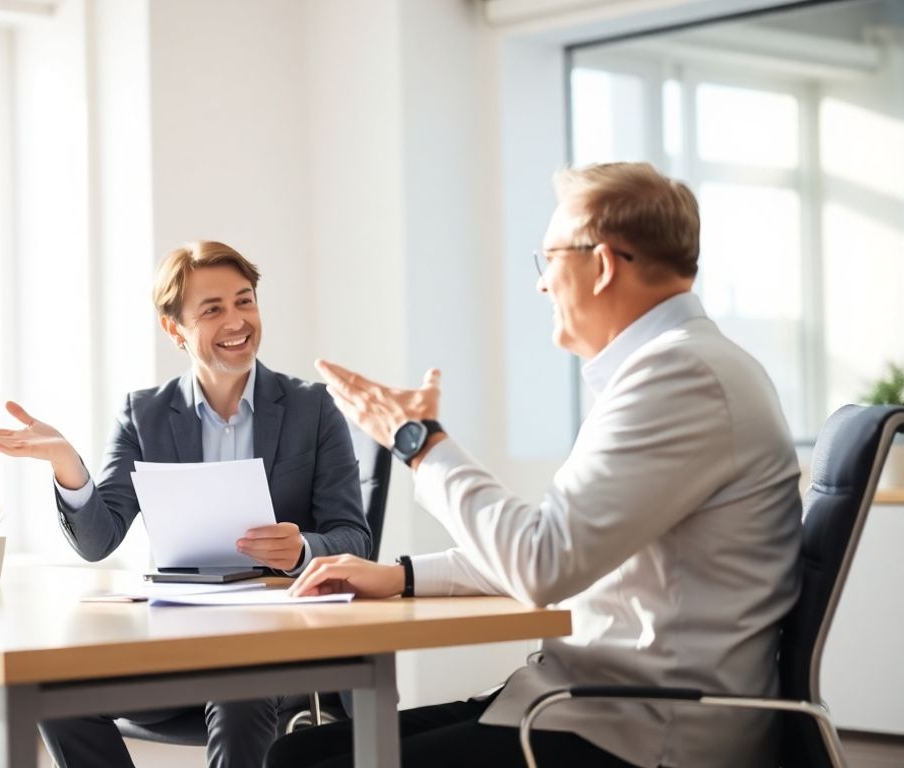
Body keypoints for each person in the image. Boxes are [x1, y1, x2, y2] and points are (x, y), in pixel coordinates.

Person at [268, 162, 802, 768]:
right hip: (585, 701)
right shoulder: (675, 369)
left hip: (640, 730)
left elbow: (541, 563)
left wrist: (418, 441)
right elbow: (558, 545)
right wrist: (402, 575)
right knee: (299, 753)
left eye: (548, 259)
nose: (541, 284)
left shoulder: (680, 379)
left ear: (600, 265)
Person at [0, 240, 371, 768]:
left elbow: (354, 540)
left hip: (279, 648)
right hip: (178, 641)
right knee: (47, 687)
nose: (237, 321)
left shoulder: (312, 409)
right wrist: (67, 463)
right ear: (174, 328)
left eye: (244, 301)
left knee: (240, 691)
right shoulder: (145, 414)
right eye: (213, 309)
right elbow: (98, 539)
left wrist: (301, 548)